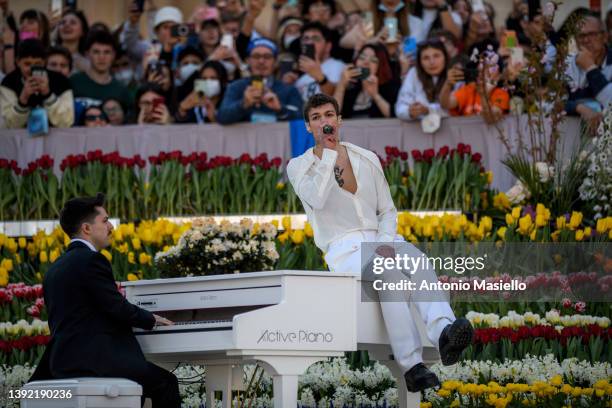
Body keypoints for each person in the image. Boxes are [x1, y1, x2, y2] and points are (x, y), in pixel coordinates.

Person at [286, 93, 474, 392]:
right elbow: (316, 199)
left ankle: (444, 333)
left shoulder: (367, 158)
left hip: (381, 239)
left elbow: (386, 209)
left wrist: (385, 242)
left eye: (328, 115)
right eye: (316, 117)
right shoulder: (299, 166)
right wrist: (329, 156)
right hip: (343, 249)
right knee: (390, 275)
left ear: (339, 120)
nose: (324, 121)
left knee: (418, 261)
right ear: (309, 127)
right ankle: (412, 366)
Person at [29, 194, 180, 408]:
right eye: (105, 220)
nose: (111, 226)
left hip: (59, 362)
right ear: (87, 228)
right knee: (166, 383)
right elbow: (116, 307)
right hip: (94, 361)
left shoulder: (56, 266)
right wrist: (152, 318)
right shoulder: (91, 260)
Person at [217, 38, 303, 124]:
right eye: (256, 56)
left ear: (275, 62)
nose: (261, 61)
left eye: (267, 57)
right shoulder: (236, 87)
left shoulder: (289, 90)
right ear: (248, 61)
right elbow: (222, 117)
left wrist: (280, 109)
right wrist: (244, 104)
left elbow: (303, 120)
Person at [0, 39, 74, 128]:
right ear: (18, 62)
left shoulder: (61, 81)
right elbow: (8, 126)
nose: (32, 69)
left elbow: (66, 122)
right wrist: (23, 100)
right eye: (27, 64)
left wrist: (48, 95)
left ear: (44, 62)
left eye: (37, 64)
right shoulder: (9, 83)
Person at [70, 30, 133, 115]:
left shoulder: (122, 91)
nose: (101, 57)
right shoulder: (73, 83)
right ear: (87, 54)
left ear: (113, 55)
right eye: (96, 52)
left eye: (107, 52)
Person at [565, 15, 611, 131]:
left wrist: (590, 67)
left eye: (592, 34)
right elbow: (553, 103)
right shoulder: (567, 64)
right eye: (581, 36)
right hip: (574, 140)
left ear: (605, 37)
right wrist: (578, 107)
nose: (586, 40)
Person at [333, 43, 400, 118]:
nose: (366, 62)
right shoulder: (350, 87)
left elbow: (395, 116)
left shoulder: (390, 87)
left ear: (381, 66)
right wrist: (341, 85)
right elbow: (333, 116)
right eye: (362, 57)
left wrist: (375, 95)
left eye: (373, 60)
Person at [290, 22, 345, 102]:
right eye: (306, 39)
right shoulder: (300, 78)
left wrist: (320, 77)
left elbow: (334, 98)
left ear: (328, 46)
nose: (310, 43)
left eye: (315, 39)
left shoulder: (338, 66)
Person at [396, 39, 448, 121]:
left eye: (436, 56)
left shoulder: (454, 73)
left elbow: (453, 109)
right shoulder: (414, 73)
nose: (432, 62)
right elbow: (400, 108)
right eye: (426, 58)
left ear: (445, 57)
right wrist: (410, 112)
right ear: (420, 62)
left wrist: (428, 110)